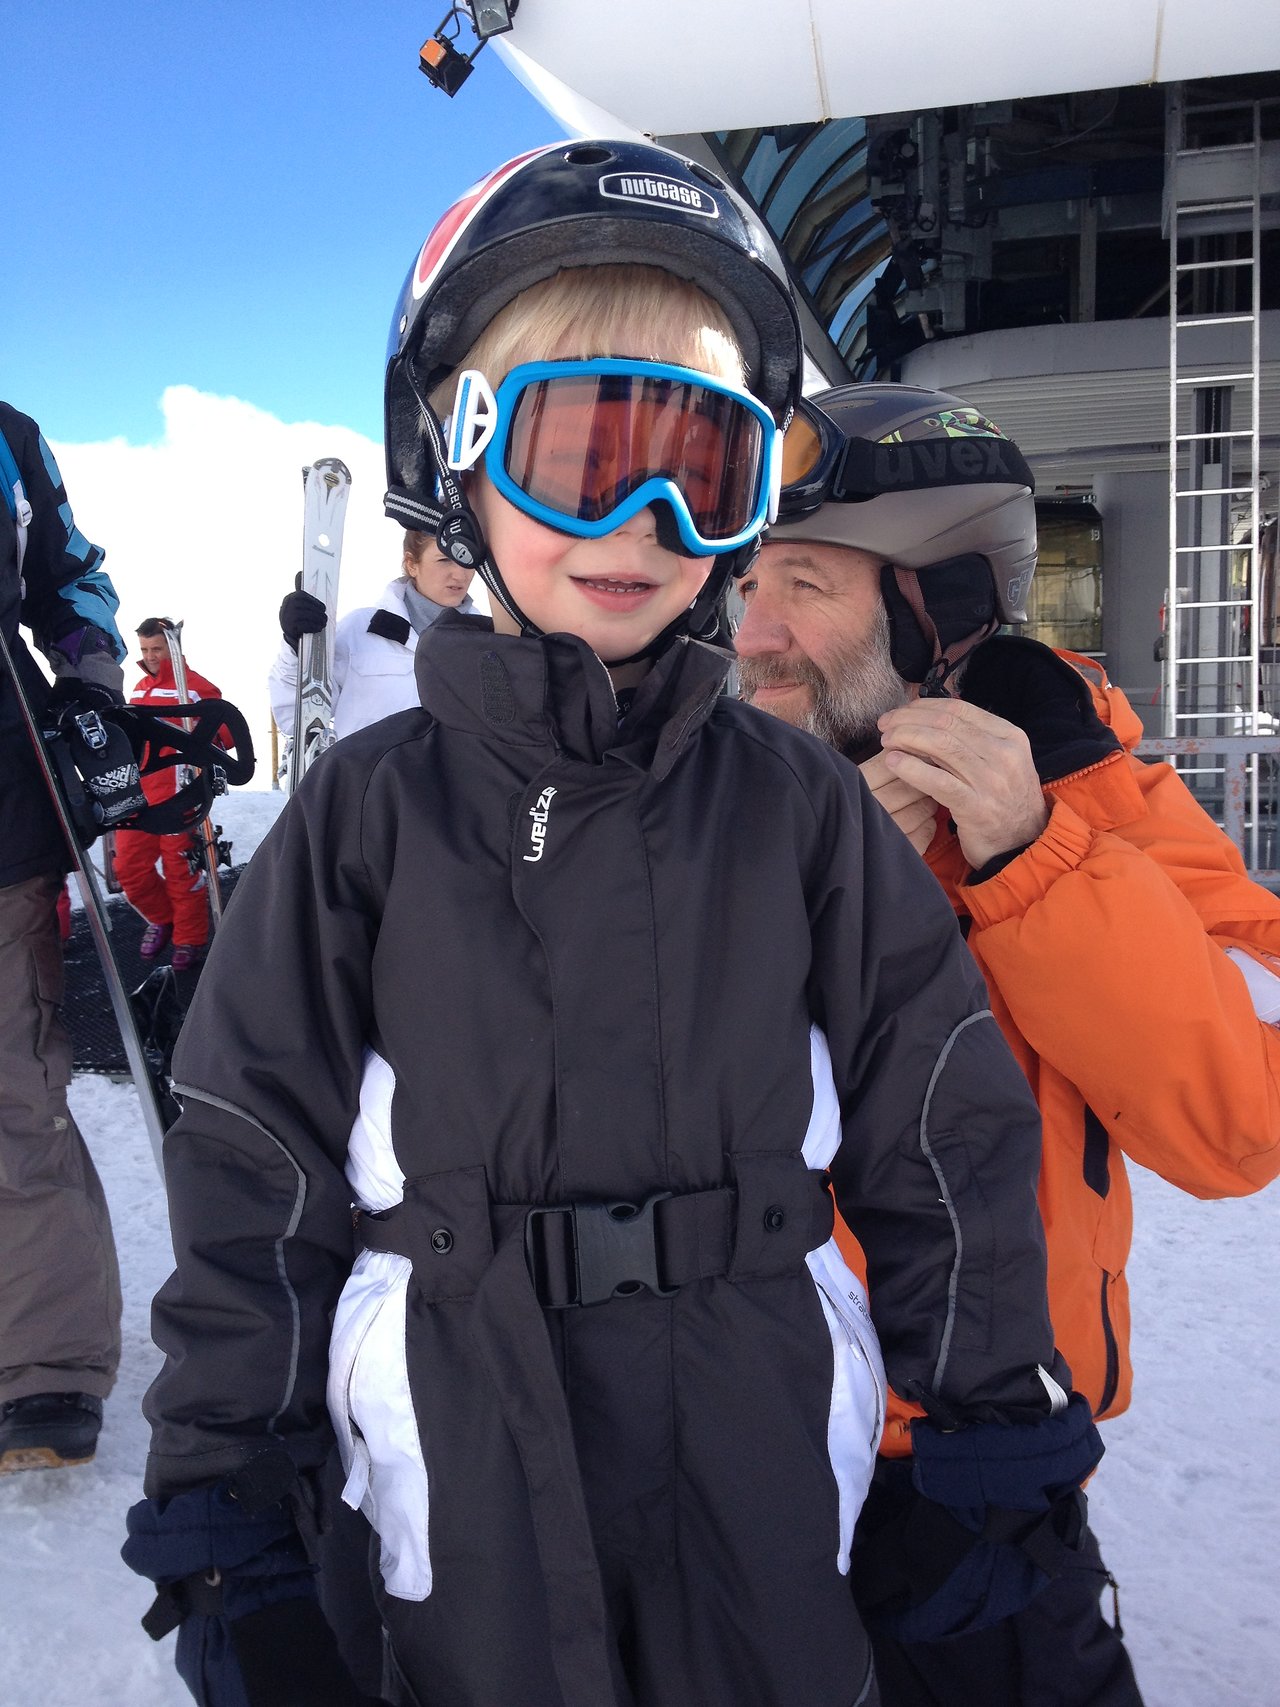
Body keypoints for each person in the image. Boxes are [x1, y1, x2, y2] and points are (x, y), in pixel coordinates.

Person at [123, 144, 1103, 1707]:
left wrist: (994, 1427)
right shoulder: (367, 820)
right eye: (586, 454)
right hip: (467, 1447)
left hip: (759, 1440)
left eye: (700, 467)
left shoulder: (794, 804)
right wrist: (227, 1490)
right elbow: (256, 1164)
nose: (640, 520)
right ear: (464, 458)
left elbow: (941, 1119)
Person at [736, 380, 1280, 1707]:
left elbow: (1237, 1120)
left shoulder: (1107, 804)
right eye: (746, 582)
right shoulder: (715, 801)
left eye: (802, 582)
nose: (753, 630)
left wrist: (1034, 859)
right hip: (726, 1467)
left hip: (976, 1479)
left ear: (941, 606)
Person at [0, 399, 132, 1473]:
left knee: (11, 1089)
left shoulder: (7, 437)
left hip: (1, 819)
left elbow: (75, 581)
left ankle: (43, 1365)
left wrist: (91, 690)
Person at [267, 529, 478, 745]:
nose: (460, 574)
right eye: (444, 560)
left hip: (459, 778)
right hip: (366, 777)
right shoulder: (360, 631)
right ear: (411, 564)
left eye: (466, 559)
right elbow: (295, 717)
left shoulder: (488, 641)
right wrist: (296, 646)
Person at [114, 617, 223, 972]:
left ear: (172, 648)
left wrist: (201, 743)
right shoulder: (140, 688)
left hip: (179, 794)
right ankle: (164, 918)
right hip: (139, 796)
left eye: (157, 649)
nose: (151, 656)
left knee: (183, 871)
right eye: (145, 650)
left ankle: (190, 939)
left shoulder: (194, 687)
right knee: (128, 869)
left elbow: (223, 733)